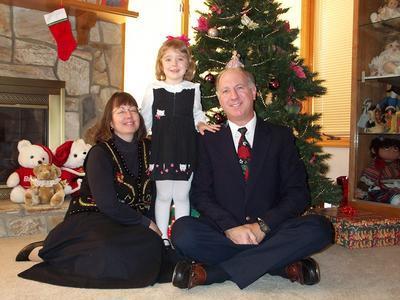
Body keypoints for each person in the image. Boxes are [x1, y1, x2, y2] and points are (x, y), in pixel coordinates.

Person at [170, 67, 334, 290]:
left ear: (254, 91)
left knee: (321, 228)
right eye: (226, 91)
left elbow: (298, 193)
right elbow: (200, 194)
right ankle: (278, 265)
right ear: (219, 97)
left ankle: (215, 272)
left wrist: (262, 227)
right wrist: (230, 227)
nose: (233, 96)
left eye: (240, 88)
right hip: (223, 230)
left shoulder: (280, 136)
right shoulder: (208, 140)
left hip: (271, 229)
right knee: (183, 232)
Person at [16, 92, 181, 288]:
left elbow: (157, 190)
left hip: (131, 218)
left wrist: (154, 221)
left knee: (150, 245)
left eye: (133, 110)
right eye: (121, 111)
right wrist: (146, 223)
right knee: (109, 250)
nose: (128, 115)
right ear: (110, 122)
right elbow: (107, 204)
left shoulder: (151, 148)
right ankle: (41, 253)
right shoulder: (99, 153)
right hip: (94, 215)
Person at [141, 35, 220, 243]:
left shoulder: (193, 89)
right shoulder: (153, 89)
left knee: (183, 196)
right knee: (164, 196)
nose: (174, 64)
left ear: (188, 65)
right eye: (168, 59)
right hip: (162, 150)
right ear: (161, 64)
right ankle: (162, 238)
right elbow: (145, 118)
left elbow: (197, 114)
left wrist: (202, 124)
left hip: (185, 149)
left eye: (179, 59)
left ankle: (183, 237)